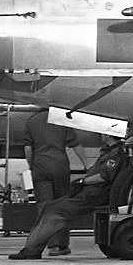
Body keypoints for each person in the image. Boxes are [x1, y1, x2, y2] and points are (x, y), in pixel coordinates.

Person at [9, 128, 133, 260]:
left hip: (95, 194)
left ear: (107, 135)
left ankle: (31, 250)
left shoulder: (115, 153)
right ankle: (32, 248)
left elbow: (104, 177)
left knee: (54, 211)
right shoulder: (111, 151)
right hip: (90, 192)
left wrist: (83, 181)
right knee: (49, 208)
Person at [24, 109, 80, 256]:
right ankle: (61, 245)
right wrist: (86, 164)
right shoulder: (61, 118)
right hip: (60, 165)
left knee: (44, 206)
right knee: (62, 205)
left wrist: (32, 166)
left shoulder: (32, 120)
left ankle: (47, 246)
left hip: (40, 165)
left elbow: (28, 149)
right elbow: (75, 144)